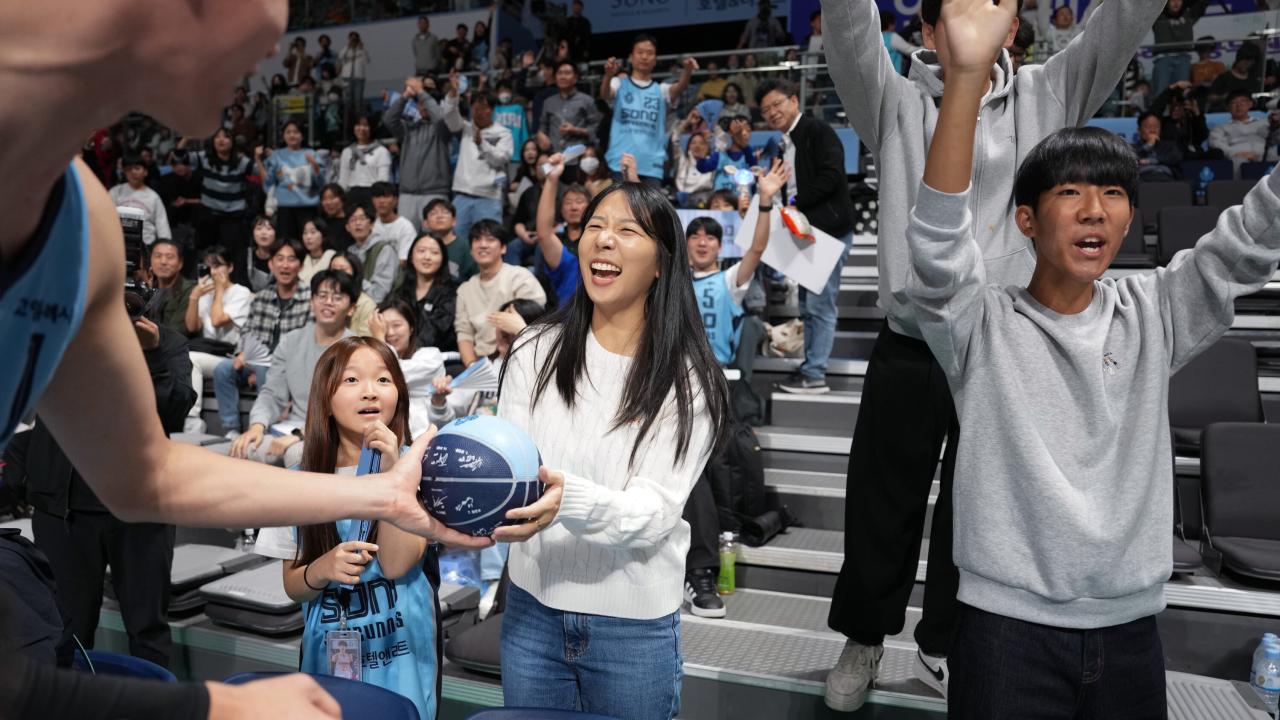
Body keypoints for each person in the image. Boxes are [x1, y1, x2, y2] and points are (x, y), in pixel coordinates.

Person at [0, 0, 488, 713]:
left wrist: (382, 496)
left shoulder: (88, 227)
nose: (281, 30)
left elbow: (143, 474)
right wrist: (219, 708)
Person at [906, 1, 1280, 715]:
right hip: (1003, 634)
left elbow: (1248, 241)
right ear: (1026, 218)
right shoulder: (978, 322)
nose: (1094, 210)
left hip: (1133, 633)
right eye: (1069, 192)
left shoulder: (1156, 311)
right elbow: (936, 241)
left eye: (1113, 193)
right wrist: (964, 77)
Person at [819, 0, 1166, 710]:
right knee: (881, 503)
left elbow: (1120, 23)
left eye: (995, 6)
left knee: (978, 511)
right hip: (917, 338)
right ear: (926, 31)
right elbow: (850, 29)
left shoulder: (1051, 91)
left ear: (1014, 28)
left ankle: (943, 641)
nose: (978, 19)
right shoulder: (890, 97)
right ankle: (863, 636)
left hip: (1009, 344)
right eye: (958, 9)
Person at [493, 182, 729, 719]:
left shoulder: (688, 381)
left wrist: (565, 500)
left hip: (632, 630)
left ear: (662, 264)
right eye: (596, 226)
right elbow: (511, 469)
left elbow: (652, 513)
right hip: (531, 611)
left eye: (627, 231)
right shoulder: (535, 349)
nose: (604, 241)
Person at [253, 337, 444, 719]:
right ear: (325, 396)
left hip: (402, 659)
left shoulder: (419, 470)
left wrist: (394, 470)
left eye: (384, 380)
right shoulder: (298, 480)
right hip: (328, 661)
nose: (370, 392)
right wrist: (322, 569)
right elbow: (293, 586)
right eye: (352, 380)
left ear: (400, 396)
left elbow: (395, 565)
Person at [6, 317, 193, 669]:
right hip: (62, 512)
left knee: (147, 630)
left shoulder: (167, 343)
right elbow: (26, 401)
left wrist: (151, 353)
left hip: (141, 511)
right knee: (65, 631)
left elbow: (172, 411)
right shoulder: (58, 332)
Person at [755, 78, 854, 396]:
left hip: (829, 229)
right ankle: (810, 367)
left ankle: (815, 375)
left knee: (821, 305)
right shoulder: (781, 144)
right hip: (804, 231)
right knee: (808, 304)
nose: (772, 112)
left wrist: (794, 203)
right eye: (765, 109)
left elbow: (832, 176)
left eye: (776, 104)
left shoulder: (817, 131)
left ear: (794, 101)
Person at [231, 269, 357, 465]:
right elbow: (272, 392)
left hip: (337, 433)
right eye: (322, 295)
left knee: (297, 454)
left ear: (351, 308)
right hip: (293, 427)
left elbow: (350, 410)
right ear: (311, 302)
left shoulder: (356, 349)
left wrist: (301, 435)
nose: (328, 302)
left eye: (337, 297)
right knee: (246, 447)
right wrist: (257, 425)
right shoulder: (291, 341)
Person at [600, 35, 698, 185]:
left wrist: (687, 71)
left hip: (651, 166)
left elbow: (678, 88)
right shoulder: (619, 84)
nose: (645, 56)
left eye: (649, 53)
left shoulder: (661, 90)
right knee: (622, 208)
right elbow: (605, 94)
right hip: (621, 163)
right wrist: (608, 75)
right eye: (640, 52)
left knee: (649, 209)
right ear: (631, 57)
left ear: (655, 60)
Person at [455, 220, 547, 367]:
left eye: (490, 240)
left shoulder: (520, 277)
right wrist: (473, 369)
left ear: (503, 248)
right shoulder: (465, 289)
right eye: (477, 239)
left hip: (518, 360)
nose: (483, 245)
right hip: (481, 364)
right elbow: (464, 333)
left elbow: (535, 320)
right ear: (471, 249)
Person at [184, 245, 254, 435]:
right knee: (187, 358)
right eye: (208, 267)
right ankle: (190, 422)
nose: (213, 271)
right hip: (209, 354)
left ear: (230, 267)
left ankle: (192, 425)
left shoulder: (241, 292)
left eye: (217, 265)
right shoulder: (205, 293)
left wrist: (220, 291)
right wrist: (194, 297)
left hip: (232, 356)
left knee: (192, 359)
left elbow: (217, 321)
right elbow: (192, 327)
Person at [445, 83, 515, 249]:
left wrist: (481, 143)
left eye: (484, 108)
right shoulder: (465, 128)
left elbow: (501, 158)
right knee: (456, 242)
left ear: (492, 110)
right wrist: (453, 93)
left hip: (489, 196)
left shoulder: (504, 133)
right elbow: (449, 115)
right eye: (475, 108)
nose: (479, 112)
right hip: (462, 195)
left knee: (489, 242)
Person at [384, 75, 457, 228]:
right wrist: (406, 96)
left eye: (426, 104)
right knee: (406, 244)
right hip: (407, 195)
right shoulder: (408, 129)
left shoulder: (443, 128)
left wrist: (421, 92)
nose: (423, 107)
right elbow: (389, 120)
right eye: (420, 104)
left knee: (435, 243)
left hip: (434, 194)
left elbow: (440, 118)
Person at [368, 296, 445, 439]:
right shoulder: (371, 361)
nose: (390, 333)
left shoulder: (431, 356)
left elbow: (395, 373)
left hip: (425, 437)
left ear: (411, 328)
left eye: (396, 325)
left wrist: (379, 337)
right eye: (384, 327)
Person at [188, 128, 253, 259]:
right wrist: (186, 138)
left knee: (234, 255)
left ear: (233, 141)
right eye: (217, 136)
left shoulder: (242, 161)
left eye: (226, 137)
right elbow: (179, 157)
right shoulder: (204, 157)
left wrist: (259, 157)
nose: (221, 140)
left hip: (233, 217)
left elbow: (264, 174)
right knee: (204, 254)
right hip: (208, 215)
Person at [256, 121, 324, 244]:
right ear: (283, 136)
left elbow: (321, 183)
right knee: (285, 244)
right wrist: (258, 160)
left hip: (307, 208)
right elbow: (268, 181)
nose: (292, 135)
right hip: (284, 209)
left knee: (309, 243)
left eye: (296, 132)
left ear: (302, 135)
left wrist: (314, 164)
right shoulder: (276, 155)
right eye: (288, 132)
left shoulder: (312, 154)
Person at [534, 155, 586, 307]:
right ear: (561, 210)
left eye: (579, 202)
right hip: (562, 316)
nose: (574, 207)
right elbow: (544, 234)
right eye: (568, 203)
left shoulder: (598, 245)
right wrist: (552, 179)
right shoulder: (562, 251)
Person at [396, 233, 457, 353]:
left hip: (439, 359)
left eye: (434, 252)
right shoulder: (401, 291)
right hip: (403, 355)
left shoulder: (450, 294)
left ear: (443, 259)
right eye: (421, 251)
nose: (427, 257)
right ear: (411, 256)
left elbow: (435, 332)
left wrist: (409, 352)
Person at [537, 61, 600, 158]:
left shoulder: (587, 100)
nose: (563, 76)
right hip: (554, 157)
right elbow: (543, 127)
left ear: (575, 78)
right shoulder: (548, 102)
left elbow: (597, 129)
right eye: (559, 73)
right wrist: (541, 135)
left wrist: (576, 130)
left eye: (567, 73)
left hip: (578, 157)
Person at [109, 155, 171, 247]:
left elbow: (162, 226)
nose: (133, 172)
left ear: (145, 172)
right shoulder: (115, 192)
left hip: (146, 245)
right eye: (129, 169)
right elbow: (105, 218)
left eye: (137, 168)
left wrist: (166, 246)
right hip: (118, 244)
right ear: (124, 172)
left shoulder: (153, 197)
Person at [1151, 0, 1210, 96]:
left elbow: (1202, 3)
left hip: (1184, 58)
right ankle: (1160, 111)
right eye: (1172, 0)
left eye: (1179, 0)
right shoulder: (1157, 16)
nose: (1176, 3)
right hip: (1163, 58)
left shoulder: (1188, 15)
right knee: (1161, 91)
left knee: (1181, 91)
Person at [345, 200, 397, 303]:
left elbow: (379, 295)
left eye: (362, 218)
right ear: (347, 227)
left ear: (372, 224)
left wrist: (354, 278)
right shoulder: (349, 252)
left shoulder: (384, 250)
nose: (358, 223)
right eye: (353, 220)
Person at [1210, 89, 1270, 171]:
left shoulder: (1264, 123)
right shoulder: (1221, 128)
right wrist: (1234, 154)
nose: (1238, 105)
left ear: (1250, 104)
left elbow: (1274, 140)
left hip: (1264, 155)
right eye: (1234, 102)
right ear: (1227, 107)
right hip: (1238, 156)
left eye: (1243, 101)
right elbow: (1216, 144)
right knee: (1236, 162)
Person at [337, 117, 391, 205]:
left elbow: (383, 180)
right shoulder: (347, 151)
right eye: (358, 125)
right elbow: (343, 180)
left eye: (365, 125)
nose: (361, 128)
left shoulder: (381, 151)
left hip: (372, 194)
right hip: (352, 195)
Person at [146, 239, 196, 335]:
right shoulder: (148, 287)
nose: (163, 261)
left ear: (180, 263)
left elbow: (177, 330)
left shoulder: (189, 289)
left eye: (169, 257)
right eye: (158, 256)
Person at [423, 198, 478, 283]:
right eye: (433, 213)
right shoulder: (420, 246)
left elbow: (475, 278)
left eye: (445, 212)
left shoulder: (466, 247)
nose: (440, 216)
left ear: (454, 221)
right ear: (425, 223)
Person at [328, 253, 377, 336]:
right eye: (333, 270)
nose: (337, 274)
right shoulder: (324, 299)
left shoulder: (366, 304)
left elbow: (365, 341)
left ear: (355, 273)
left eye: (342, 270)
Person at [369, 182, 419, 262]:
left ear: (396, 200)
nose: (381, 201)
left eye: (386, 196)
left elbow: (404, 260)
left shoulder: (406, 227)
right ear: (372, 200)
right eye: (377, 196)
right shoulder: (369, 225)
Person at [1133, 112, 1184, 180]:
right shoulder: (1133, 148)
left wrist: (1151, 161)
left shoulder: (1169, 145)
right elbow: (1129, 161)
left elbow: (1176, 157)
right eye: (1148, 127)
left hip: (1166, 178)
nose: (1153, 130)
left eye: (1156, 127)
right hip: (1143, 179)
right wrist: (1148, 146)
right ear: (1139, 130)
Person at [338, 31, 371, 122]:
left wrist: (362, 48)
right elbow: (340, 57)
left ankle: (358, 120)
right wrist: (348, 46)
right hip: (347, 78)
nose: (353, 40)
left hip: (359, 78)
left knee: (358, 100)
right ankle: (349, 120)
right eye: (351, 38)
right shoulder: (346, 49)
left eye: (355, 38)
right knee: (348, 100)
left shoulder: (361, 50)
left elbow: (367, 61)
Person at [494, 82, 531, 163]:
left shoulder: (519, 109)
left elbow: (524, 131)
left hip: (516, 153)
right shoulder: (493, 110)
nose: (504, 93)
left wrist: (527, 148)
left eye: (506, 90)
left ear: (511, 92)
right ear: (496, 93)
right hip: (497, 153)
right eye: (501, 91)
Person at [244, 215, 278, 292]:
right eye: (259, 229)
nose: (263, 233)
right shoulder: (246, 255)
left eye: (268, 229)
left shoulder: (280, 257)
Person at [299, 216, 336, 284]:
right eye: (305, 233)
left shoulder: (332, 256)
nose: (308, 237)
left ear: (323, 235)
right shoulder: (302, 258)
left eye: (313, 232)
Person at [319, 183, 353, 253]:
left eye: (332, 198)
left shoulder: (351, 221)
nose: (328, 202)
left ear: (342, 199)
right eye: (324, 199)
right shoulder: (321, 224)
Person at [566, 0, 592, 64]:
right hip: (570, 50)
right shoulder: (567, 21)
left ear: (582, 8)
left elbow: (588, 37)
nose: (576, 8)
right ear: (572, 7)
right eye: (575, 6)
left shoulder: (585, 22)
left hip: (581, 49)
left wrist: (586, 50)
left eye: (578, 7)